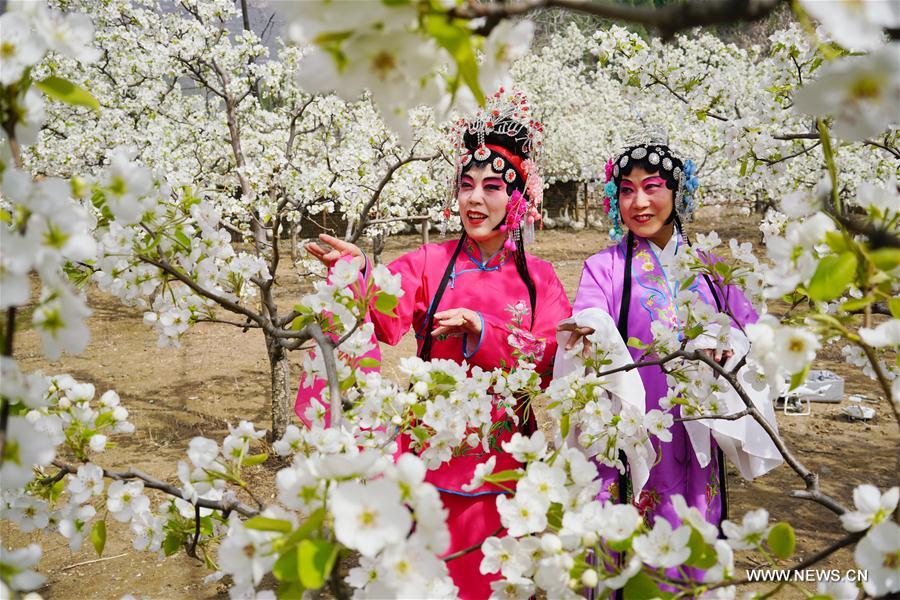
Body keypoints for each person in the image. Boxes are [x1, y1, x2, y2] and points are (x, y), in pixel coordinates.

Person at [300, 89, 572, 599]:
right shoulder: (430, 260)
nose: (474, 199)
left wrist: (483, 332)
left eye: (492, 187)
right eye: (466, 185)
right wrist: (359, 274)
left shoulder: (540, 278)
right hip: (433, 447)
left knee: (498, 576)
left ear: (518, 199)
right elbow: (384, 317)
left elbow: (551, 361)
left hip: (506, 451)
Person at [558, 131, 782, 544]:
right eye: (626, 191)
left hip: (692, 428)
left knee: (691, 537)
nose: (639, 203)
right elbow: (589, 309)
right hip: (632, 429)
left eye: (652, 188)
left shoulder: (710, 268)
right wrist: (590, 325)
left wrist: (729, 341)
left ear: (678, 193)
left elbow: (749, 330)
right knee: (628, 545)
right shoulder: (603, 267)